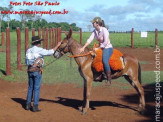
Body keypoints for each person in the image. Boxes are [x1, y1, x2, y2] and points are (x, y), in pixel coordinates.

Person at [25, 36, 61, 112]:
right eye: (39, 42)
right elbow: (50, 52)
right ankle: (35, 106)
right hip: (37, 71)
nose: (40, 43)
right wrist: (57, 45)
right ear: (37, 43)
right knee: (36, 88)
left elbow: (26, 62)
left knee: (30, 88)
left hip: (29, 70)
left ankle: (27, 105)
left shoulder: (28, 50)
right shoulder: (39, 50)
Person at [79, 17, 113, 86]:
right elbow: (90, 39)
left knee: (104, 60)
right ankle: (98, 74)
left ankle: (109, 79)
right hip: (100, 48)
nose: (92, 23)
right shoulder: (94, 31)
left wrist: (98, 48)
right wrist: (83, 47)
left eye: (93, 22)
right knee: (92, 58)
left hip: (107, 48)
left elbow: (106, 42)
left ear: (97, 24)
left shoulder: (104, 30)